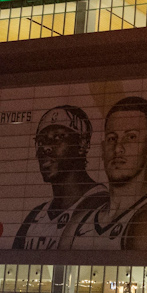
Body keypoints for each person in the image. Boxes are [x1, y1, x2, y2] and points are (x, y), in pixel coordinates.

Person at [66, 97, 147, 251]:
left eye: (131, 137)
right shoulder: (77, 224)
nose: (118, 148)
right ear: (102, 149)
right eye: (112, 138)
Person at [14, 107, 102, 250]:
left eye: (58, 137)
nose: (46, 147)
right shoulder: (35, 217)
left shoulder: (102, 205)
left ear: (82, 144)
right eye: (41, 141)